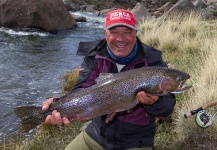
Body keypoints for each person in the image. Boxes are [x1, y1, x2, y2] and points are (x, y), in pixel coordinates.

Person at [42, 9, 176, 150]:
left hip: (136, 141)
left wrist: (154, 102)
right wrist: (58, 104)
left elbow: (167, 108)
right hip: (97, 134)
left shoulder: (152, 61)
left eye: (127, 32)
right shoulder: (95, 55)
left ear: (135, 34)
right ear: (105, 34)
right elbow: (82, 89)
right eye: (114, 32)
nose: (120, 38)